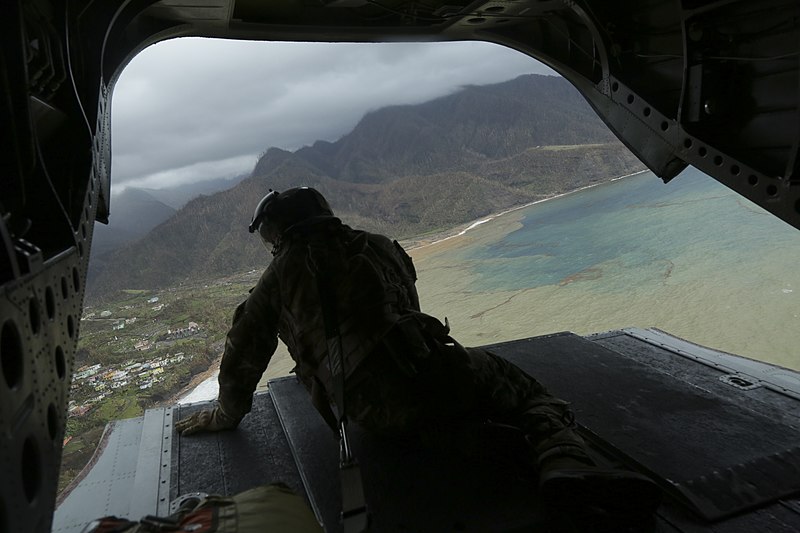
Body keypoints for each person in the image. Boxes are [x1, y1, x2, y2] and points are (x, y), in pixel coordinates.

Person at [175, 187, 661, 522]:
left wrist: (225, 415)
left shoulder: (277, 281)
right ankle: (564, 460)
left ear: (279, 234)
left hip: (368, 410)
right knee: (526, 391)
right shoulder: (382, 246)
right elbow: (406, 308)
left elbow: (243, 353)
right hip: (438, 372)